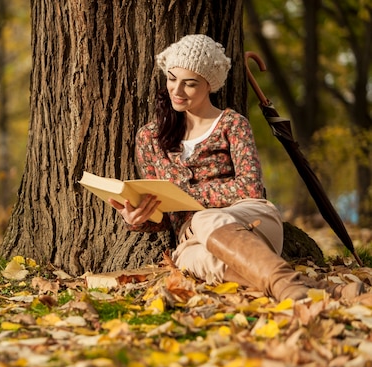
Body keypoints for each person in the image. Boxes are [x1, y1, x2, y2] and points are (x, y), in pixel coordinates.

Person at [109, 34, 363, 301]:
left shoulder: (232, 124)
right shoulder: (150, 137)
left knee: (205, 217)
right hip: (191, 239)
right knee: (192, 260)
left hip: (251, 220)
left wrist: (186, 197)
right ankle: (314, 290)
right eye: (172, 79)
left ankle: (297, 290)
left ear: (210, 85)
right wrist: (138, 219)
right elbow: (163, 216)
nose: (177, 90)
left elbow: (249, 187)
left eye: (190, 84)